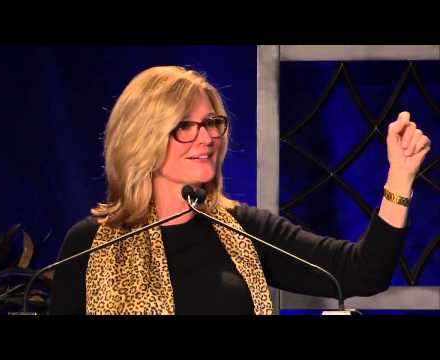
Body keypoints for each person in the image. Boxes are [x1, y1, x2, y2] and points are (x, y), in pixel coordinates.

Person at [49, 66, 431, 315]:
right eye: (186, 126)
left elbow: (362, 272)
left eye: (212, 123)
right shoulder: (90, 244)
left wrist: (400, 176)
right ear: (141, 139)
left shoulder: (243, 230)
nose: (207, 137)